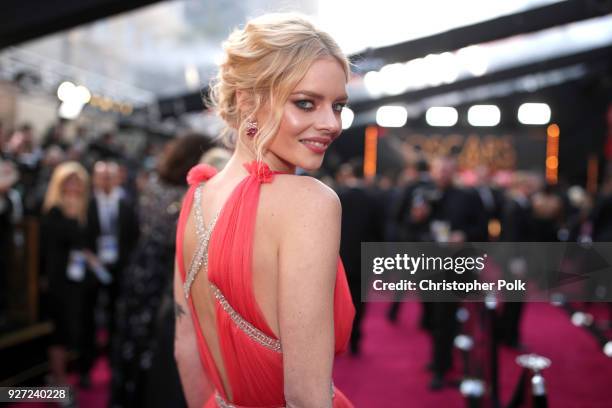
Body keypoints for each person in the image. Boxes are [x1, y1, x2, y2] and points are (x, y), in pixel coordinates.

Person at [173, 13, 355, 407]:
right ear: (247, 101)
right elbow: (306, 396)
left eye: (338, 106)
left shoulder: (196, 196)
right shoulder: (310, 202)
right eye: (306, 103)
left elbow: (185, 349)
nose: (331, 123)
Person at [110, 133, 215, 408]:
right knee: (157, 340)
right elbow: (179, 238)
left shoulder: (154, 184)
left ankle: (128, 393)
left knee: (136, 337)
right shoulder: (187, 197)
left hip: (143, 268)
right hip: (166, 274)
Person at [39, 162, 107, 400]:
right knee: (60, 331)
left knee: (79, 329)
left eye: (78, 181)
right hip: (58, 282)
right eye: (69, 181)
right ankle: (58, 381)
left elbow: (91, 242)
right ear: (59, 183)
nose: (74, 186)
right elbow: (49, 247)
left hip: (81, 283)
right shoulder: (53, 211)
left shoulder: (88, 210)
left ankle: (71, 375)